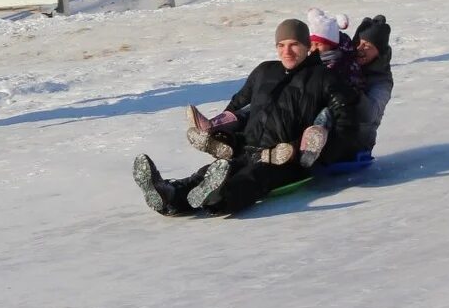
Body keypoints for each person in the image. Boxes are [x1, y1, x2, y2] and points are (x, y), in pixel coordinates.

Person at [133, 18, 359, 217]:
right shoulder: (264, 71)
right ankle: (169, 195)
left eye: (294, 45)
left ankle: (218, 197)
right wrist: (223, 134)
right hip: (248, 148)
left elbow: (346, 123)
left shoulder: (325, 78)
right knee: (214, 170)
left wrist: (315, 155)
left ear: (308, 46)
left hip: (284, 158)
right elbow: (237, 107)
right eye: (280, 45)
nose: (286, 51)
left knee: (253, 177)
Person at [351, 15, 395, 153]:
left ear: (379, 53)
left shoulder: (383, 80)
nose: (359, 48)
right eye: (358, 42)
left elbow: (370, 114)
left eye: (367, 46)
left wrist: (349, 88)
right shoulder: (346, 66)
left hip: (358, 141)